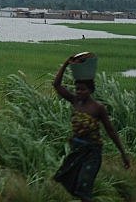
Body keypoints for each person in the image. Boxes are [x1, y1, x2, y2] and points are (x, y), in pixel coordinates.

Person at [52, 56, 130, 202]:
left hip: (92, 152)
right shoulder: (75, 101)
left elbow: (110, 130)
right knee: (68, 179)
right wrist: (65, 65)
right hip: (77, 150)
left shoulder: (98, 108)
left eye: (83, 89)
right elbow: (56, 85)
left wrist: (123, 153)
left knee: (84, 187)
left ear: (91, 90)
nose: (79, 92)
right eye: (77, 89)